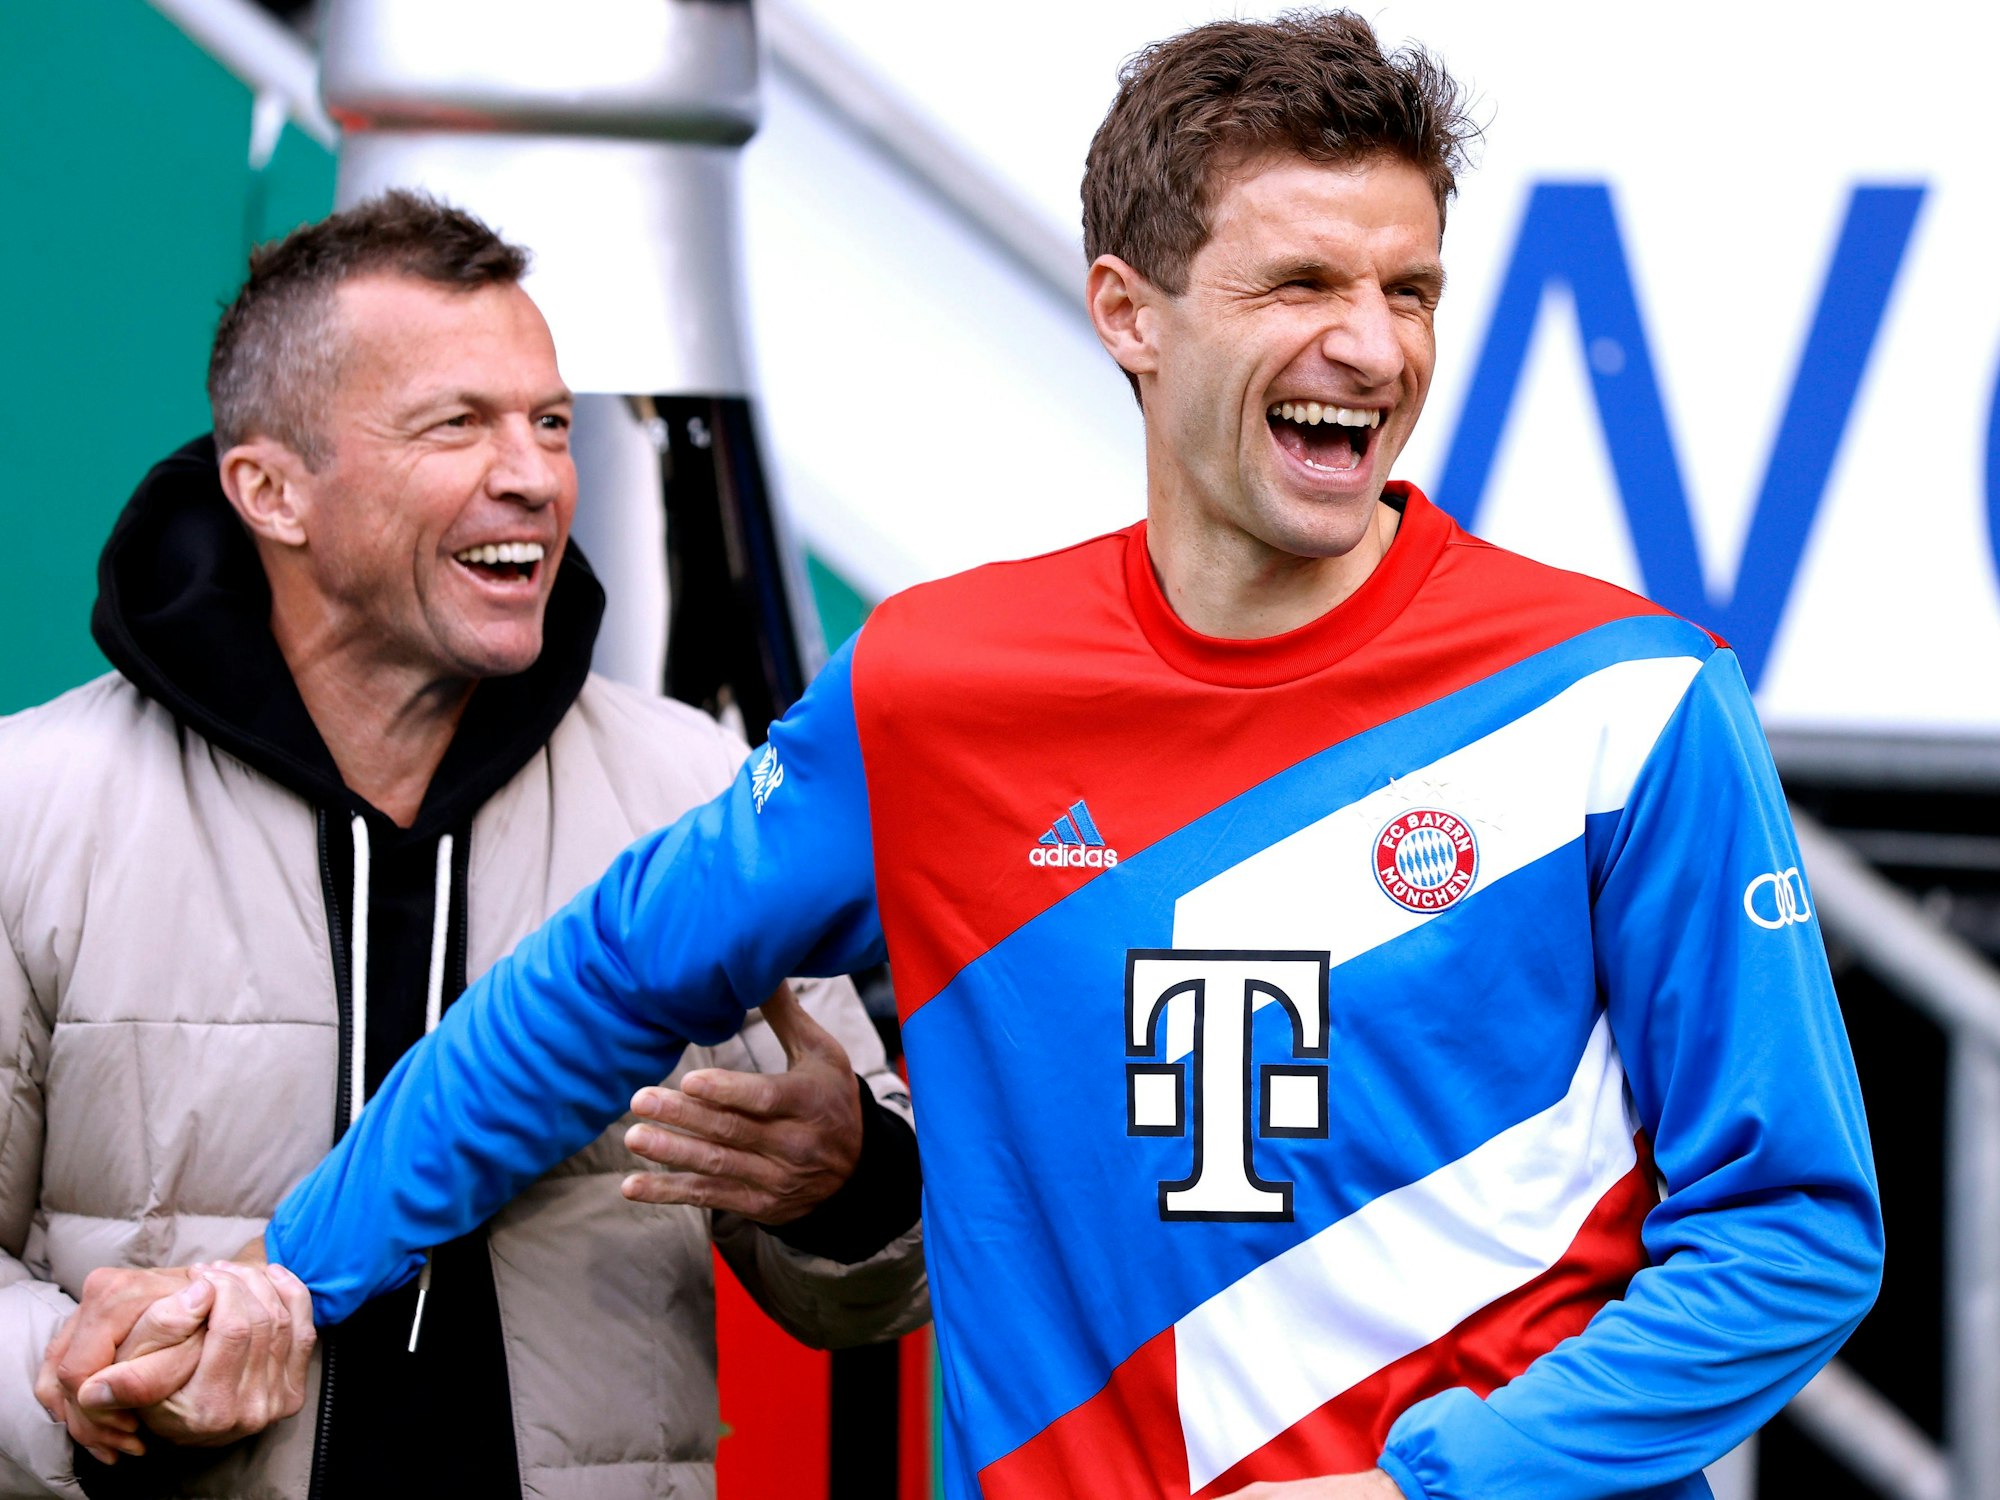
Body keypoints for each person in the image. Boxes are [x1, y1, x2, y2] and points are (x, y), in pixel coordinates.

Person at [59, 12, 1882, 1499]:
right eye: (1301, 281)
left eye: (1409, 288)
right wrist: (293, 1270)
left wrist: (1446, 1488)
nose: (1372, 345)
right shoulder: (930, 688)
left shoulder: (1631, 703)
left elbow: (1793, 1233)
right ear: (1127, 314)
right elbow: (584, 993)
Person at [5, 191, 927, 1497]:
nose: (537, 475)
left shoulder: (702, 794)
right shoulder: (29, 805)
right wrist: (94, 1391)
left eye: (549, 423)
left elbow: (878, 1293)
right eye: (458, 425)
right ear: (272, 490)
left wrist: (851, 1181)